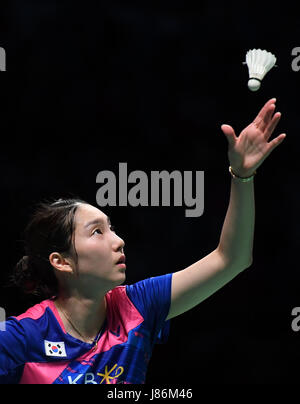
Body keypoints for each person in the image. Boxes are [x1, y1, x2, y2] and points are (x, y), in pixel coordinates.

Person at [0, 99, 286, 384]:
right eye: (97, 232)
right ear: (61, 262)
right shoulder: (23, 337)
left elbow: (231, 259)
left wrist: (243, 176)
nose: (119, 241)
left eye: (112, 228)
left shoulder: (138, 306)